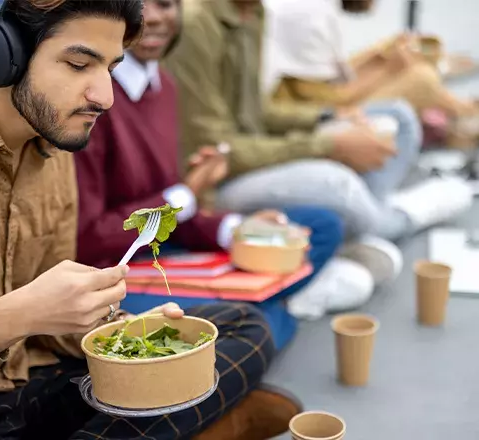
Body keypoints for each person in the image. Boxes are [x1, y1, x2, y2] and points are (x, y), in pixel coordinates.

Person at [0, 1, 296, 439]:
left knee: (243, 325)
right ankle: (200, 421)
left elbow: (53, 321)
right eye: (78, 65)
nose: (106, 97)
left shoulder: (56, 145)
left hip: (33, 377)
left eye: (111, 69)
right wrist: (8, 318)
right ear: (0, 52)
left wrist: (124, 330)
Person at [164, 0, 473, 318]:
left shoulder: (253, 11)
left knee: (399, 116)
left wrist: (328, 116)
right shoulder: (197, 23)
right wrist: (327, 143)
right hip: (216, 182)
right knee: (336, 182)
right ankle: (397, 220)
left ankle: (362, 228)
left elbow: (258, 112)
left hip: (257, 151)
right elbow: (216, 150)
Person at [74, 0, 348, 349]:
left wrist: (231, 228)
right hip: (117, 272)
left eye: (166, 3)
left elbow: (175, 209)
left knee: (320, 225)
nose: (155, 16)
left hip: (165, 246)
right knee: (251, 323)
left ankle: (260, 306)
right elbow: (90, 240)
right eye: (138, 3)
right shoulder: (92, 102)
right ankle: (266, 309)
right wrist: (186, 195)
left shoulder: (164, 87)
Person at [262, 0, 479, 147]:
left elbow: (329, 77)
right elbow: (330, 101)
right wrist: (389, 67)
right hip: (293, 119)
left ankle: (458, 111)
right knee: (422, 79)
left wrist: (380, 55)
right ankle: (462, 114)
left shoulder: (316, 9)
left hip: (301, 98)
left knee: (403, 61)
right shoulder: (311, 16)